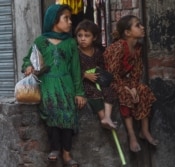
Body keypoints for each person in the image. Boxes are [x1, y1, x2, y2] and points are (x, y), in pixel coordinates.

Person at [22, 4, 86, 167]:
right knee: (51, 111)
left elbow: (76, 69)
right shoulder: (40, 41)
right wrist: (28, 67)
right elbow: (27, 59)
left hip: (66, 84)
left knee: (68, 114)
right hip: (48, 83)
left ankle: (66, 153)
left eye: (70, 18)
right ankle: (55, 148)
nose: (70, 22)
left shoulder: (71, 43)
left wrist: (79, 92)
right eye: (66, 18)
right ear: (54, 21)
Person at [103, 15, 158, 152]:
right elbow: (112, 72)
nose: (142, 27)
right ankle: (132, 135)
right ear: (127, 33)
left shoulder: (138, 48)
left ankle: (144, 131)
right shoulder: (118, 47)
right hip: (112, 81)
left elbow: (137, 71)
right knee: (124, 94)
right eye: (138, 25)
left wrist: (133, 86)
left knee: (143, 90)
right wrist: (127, 88)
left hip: (126, 81)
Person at [75, 19, 117, 129]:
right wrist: (84, 75)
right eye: (80, 35)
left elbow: (102, 65)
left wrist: (99, 70)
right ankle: (103, 118)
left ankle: (108, 117)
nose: (82, 39)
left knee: (109, 90)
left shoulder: (98, 51)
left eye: (86, 35)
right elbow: (72, 70)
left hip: (97, 80)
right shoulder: (75, 52)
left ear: (94, 38)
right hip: (84, 83)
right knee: (94, 92)